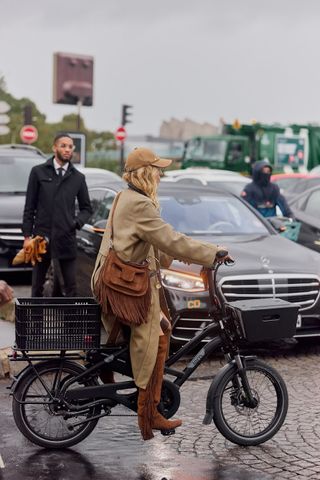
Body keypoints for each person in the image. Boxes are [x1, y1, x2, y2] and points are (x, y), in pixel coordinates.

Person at [91, 147, 232, 441]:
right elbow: (169, 238)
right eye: (157, 169)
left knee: (163, 332)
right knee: (153, 341)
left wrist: (177, 257)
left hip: (118, 282)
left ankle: (118, 378)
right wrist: (211, 253)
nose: (161, 174)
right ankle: (148, 414)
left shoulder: (125, 196)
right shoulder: (140, 205)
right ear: (145, 173)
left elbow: (157, 243)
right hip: (128, 289)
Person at [22, 133, 92, 297]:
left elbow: (87, 208)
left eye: (70, 147)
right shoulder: (38, 172)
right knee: (37, 287)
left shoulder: (78, 178)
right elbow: (29, 207)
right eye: (63, 146)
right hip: (41, 238)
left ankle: (69, 322)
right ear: (54, 148)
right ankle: (36, 322)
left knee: (71, 288)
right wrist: (27, 236)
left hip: (66, 238)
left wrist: (75, 223)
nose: (68, 150)